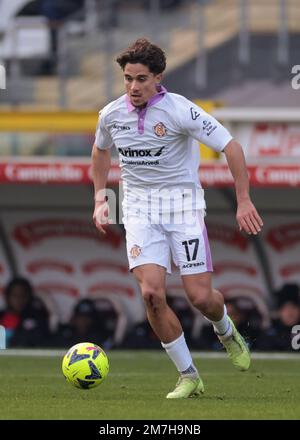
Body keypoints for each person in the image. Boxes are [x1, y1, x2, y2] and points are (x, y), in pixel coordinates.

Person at [91, 38, 263, 399]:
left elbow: (231, 146)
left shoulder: (181, 110)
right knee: (152, 294)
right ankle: (189, 375)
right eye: (127, 79)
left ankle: (225, 329)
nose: (133, 87)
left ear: (158, 77)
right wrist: (99, 198)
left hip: (183, 210)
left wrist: (243, 200)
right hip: (138, 210)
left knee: (200, 298)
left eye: (141, 79)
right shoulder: (110, 114)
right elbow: (100, 150)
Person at [0, 277, 50, 347]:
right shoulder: (1, 316)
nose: (19, 300)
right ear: (8, 296)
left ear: (29, 296)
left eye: (23, 295)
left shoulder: (38, 317)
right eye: (15, 295)